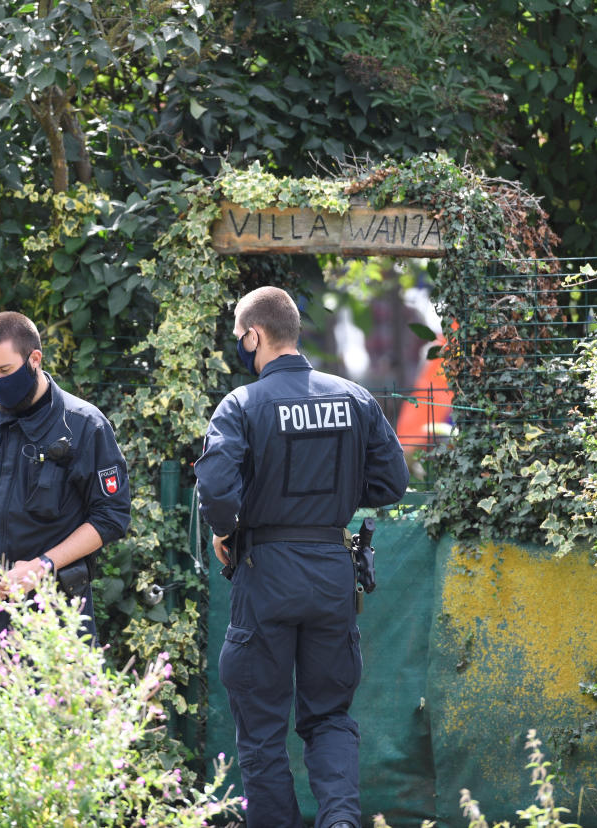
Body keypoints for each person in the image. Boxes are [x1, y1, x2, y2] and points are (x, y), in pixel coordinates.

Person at [194, 286, 410, 828]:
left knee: (262, 728)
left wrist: (226, 529)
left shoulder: (240, 405)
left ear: (256, 335)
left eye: (242, 337)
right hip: (332, 573)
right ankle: (339, 821)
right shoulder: (355, 399)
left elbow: (216, 485)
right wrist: (330, 497)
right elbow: (392, 482)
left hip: (264, 572)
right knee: (330, 716)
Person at [0, 311, 130, 640]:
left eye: (5, 370)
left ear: (34, 359)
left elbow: (111, 517)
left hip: (57, 614)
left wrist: (41, 565)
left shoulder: (84, 425)